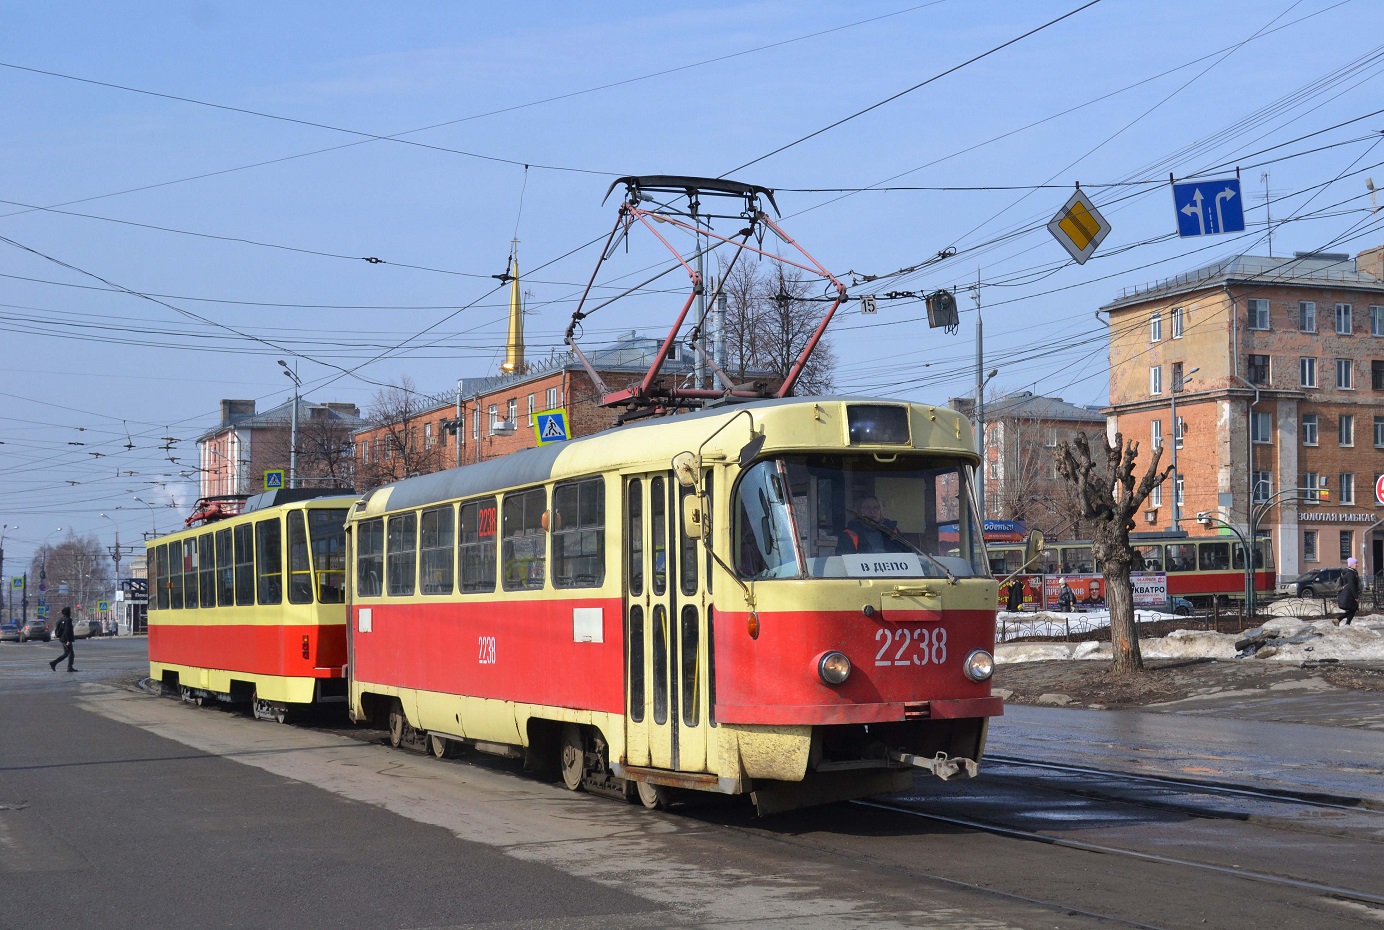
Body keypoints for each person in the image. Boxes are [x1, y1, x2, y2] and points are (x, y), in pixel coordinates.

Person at [839, 496, 905, 555]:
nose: (872, 511)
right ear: (859, 511)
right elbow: (845, 560)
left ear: (881, 510)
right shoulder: (850, 534)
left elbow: (905, 554)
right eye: (867, 508)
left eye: (876, 507)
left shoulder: (892, 531)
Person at [49, 607, 77, 673]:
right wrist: (68, 640)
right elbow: (67, 630)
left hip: (62, 638)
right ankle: (69, 667)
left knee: (66, 653)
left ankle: (54, 663)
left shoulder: (61, 619)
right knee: (70, 653)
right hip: (66, 639)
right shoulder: (67, 620)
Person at [1338, 557, 1361, 626]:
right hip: (1349, 595)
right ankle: (1340, 620)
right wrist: (1356, 597)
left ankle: (1345, 623)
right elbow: (1352, 586)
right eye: (1355, 563)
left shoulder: (1351, 572)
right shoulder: (1350, 574)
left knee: (1352, 610)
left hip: (1348, 594)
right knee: (1353, 609)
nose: (1357, 565)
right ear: (1351, 564)